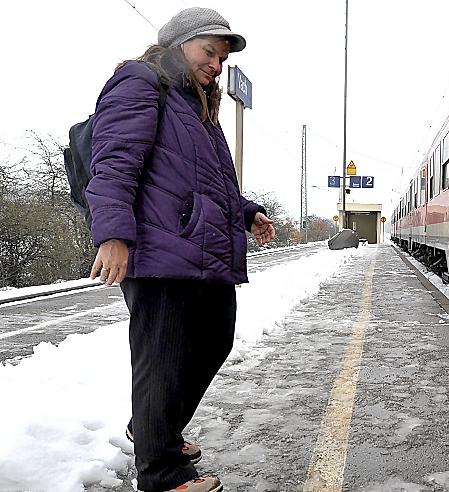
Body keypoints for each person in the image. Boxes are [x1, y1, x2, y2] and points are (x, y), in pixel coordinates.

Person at [85, 7, 275, 492]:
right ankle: (162, 473)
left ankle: (155, 430)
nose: (216, 65)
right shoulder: (141, 81)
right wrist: (113, 235)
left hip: (201, 253)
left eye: (222, 58)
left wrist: (246, 211)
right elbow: (114, 162)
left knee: (215, 340)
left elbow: (204, 181)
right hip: (157, 248)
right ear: (177, 43)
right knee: (163, 359)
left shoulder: (197, 106)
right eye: (209, 52)